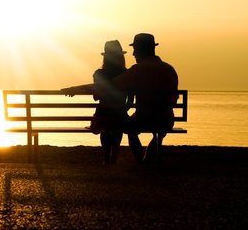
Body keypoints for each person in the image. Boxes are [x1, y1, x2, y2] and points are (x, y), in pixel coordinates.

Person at [62, 33, 178, 164]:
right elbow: (174, 99)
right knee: (159, 131)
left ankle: (141, 162)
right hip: (166, 120)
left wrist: (75, 89)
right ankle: (145, 162)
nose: (133, 54)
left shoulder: (138, 70)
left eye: (135, 50)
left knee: (131, 129)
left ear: (141, 50)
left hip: (144, 120)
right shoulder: (170, 69)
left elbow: (106, 86)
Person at [89, 40, 133, 164]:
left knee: (105, 126)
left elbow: (96, 97)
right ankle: (114, 157)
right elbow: (130, 100)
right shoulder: (127, 74)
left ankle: (106, 158)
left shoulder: (99, 74)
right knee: (118, 125)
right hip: (120, 116)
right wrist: (123, 109)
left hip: (102, 116)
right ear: (120, 56)